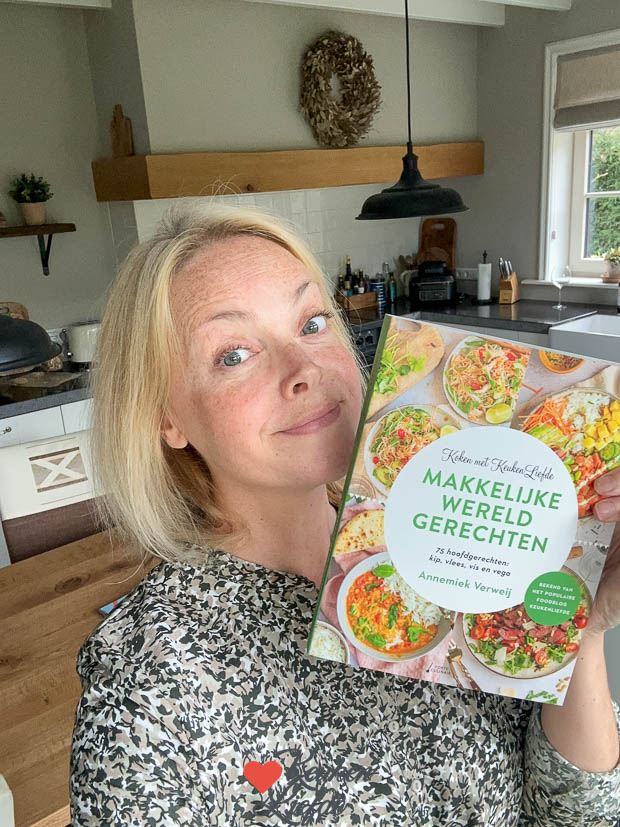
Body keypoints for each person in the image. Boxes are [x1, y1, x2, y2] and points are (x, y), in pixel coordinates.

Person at [70, 203, 620, 826]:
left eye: (311, 323)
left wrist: (582, 624)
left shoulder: (452, 529)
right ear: (165, 418)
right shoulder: (146, 684)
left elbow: (577, 817)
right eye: (233, 355)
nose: (304, 368)